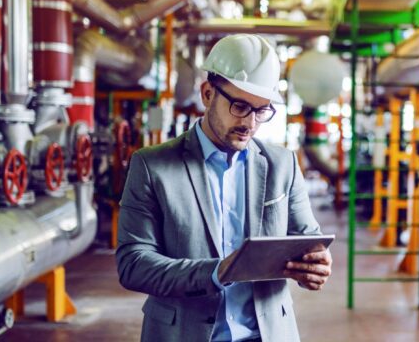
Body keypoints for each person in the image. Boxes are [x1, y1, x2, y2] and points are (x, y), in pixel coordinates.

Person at [116, 34, 332, 342]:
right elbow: (133, 263)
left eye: (262, 110)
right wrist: (216, 272)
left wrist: (317, 262)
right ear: (207, 93)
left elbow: (307, 237)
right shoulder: (152, 166)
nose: (251, 123)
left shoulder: (282, 164)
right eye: (240, 106)